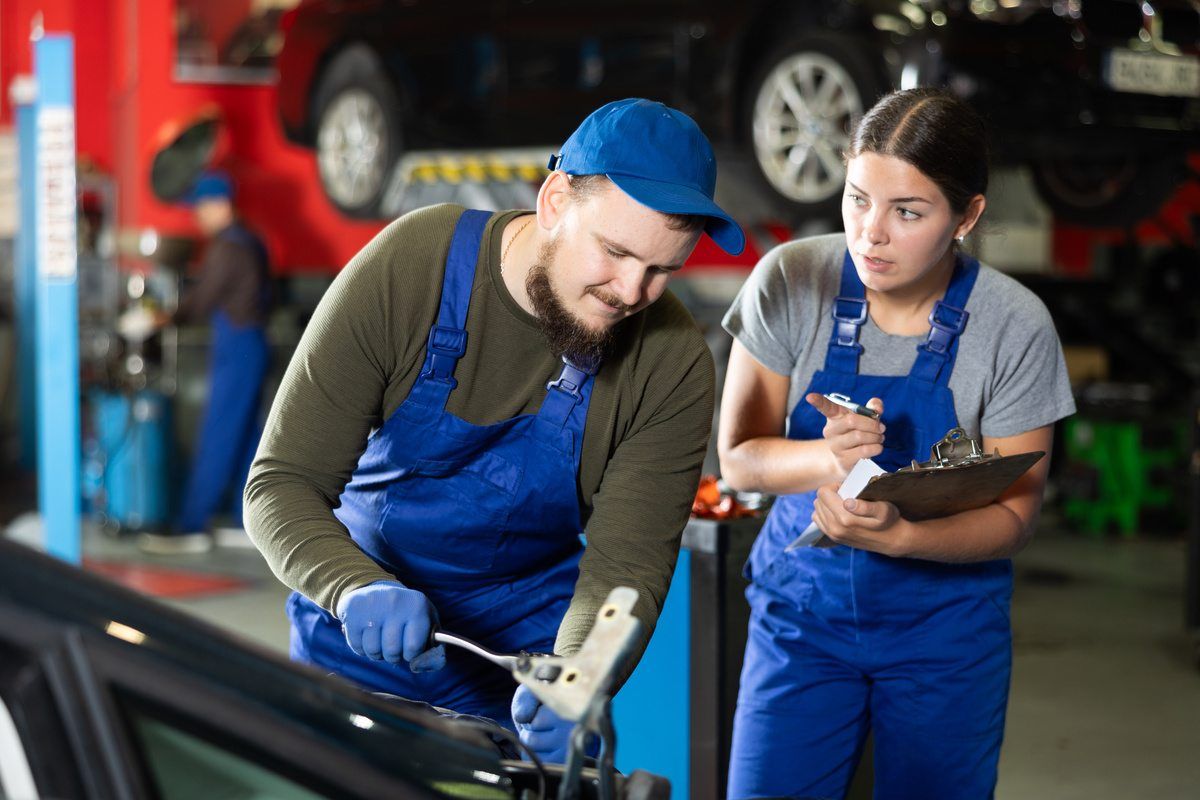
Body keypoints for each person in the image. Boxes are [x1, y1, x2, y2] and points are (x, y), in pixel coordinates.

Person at [243, 98, 745, 761]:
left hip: (525, 676)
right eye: (616, 252)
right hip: (354, 649)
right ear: (556, 200)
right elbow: (280, 484)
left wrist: (579, 680)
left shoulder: (670, 362)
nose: (631, 291)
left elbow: (626, 568)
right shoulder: (412, 269)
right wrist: (351, 586)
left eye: (661, 270)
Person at [718, 88, 1075, 799]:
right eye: (857, 199)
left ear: (967, 215)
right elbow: (738, 460)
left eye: (907, 212)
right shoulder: (790, 280)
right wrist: (830, 458)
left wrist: (901, 537)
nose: (869, 234)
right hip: (800, 622)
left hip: (944, 637)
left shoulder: (1013, 326)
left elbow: (1014, 517)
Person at [138, 170, 272, 555]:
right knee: (248, 437)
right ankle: (242, 520)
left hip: (237, 349)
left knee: (218, 435)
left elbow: (201, 301)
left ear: (219, 204)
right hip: (253, 343)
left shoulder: (226, 247)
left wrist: (164, 318)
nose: (197, 216)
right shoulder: (252, 241)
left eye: (200, 207)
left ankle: (192, 525)